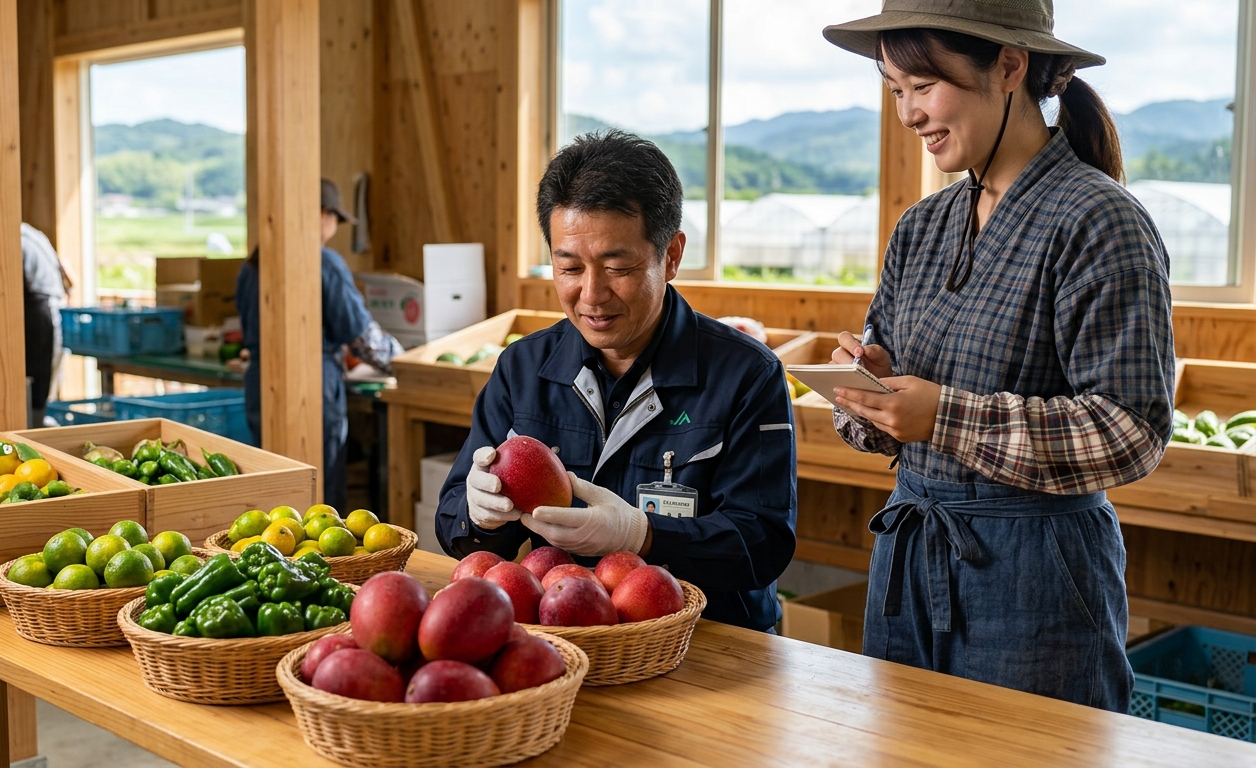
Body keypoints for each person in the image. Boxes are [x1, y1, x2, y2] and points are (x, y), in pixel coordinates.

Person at [820, 0, 1174, 711]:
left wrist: (940, 417)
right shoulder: (922, 227)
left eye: (924, 86)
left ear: (1010, 66)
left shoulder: (1100, 221)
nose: (908, 114)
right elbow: (894, 412)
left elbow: (1130, 431)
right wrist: (870, 394)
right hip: (910, 553)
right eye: (895, 90)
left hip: (1037, 578)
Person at [435, 131, 797, 633]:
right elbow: (455, 527)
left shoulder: (745, 375)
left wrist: (644, 537)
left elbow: (763, 542)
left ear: (671, 256)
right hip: (564, 642)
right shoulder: (523, 369)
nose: (591, 294)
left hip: (711, 646)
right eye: (569, 267)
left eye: (617, 266)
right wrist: (481, 515)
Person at [235, 179, 402, 510]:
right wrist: (406, 363)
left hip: (259, 382)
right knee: (318, 496)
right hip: (312, 384)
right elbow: (359, 334)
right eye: (335, 220)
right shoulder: (324, 262)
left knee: (274, 490)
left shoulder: (252, 264)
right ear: (323, 215)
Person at [21, 223, 70, 428]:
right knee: (42, 371)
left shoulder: (17, 239)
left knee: (38, 372)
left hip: (38, 307)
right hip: (48, 304)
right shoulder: (31, 233)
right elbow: (68, 277)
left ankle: (35, 426)